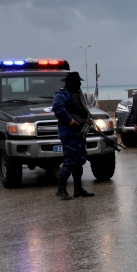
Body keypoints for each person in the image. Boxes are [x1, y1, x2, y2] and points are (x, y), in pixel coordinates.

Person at [51, 72, 94, 200]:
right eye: (77, 82)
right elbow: (57, 108)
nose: (79, 84)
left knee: (79, 160)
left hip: (80, 132)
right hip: (69, 133)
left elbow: (81, 109)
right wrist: (69, 120)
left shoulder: (78, 94)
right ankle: (61, 189)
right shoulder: (62, 93)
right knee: (69, 161)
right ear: (70, 82)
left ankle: (78, 189)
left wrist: (87, 120)